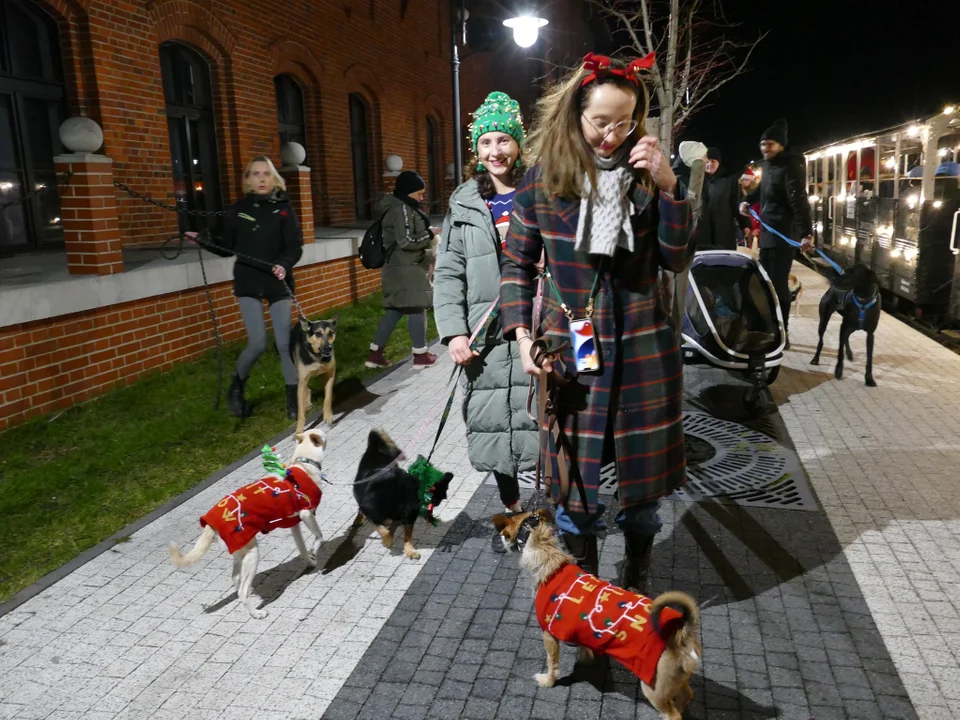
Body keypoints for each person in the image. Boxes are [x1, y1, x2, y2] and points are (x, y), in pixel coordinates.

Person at [500, 53, 694, 593]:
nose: (612, 134)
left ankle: (636, 571)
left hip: (644, 352)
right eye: (600, 121)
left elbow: (676, 261)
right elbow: (516, 263)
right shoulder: (541, 182)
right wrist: (520, 334)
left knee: (643, 493)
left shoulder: (648, 179)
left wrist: (672, 187)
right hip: (572, 355)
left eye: (625, 122)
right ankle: (583, 591)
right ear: (575, 115)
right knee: (572, 487)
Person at [433, 92, 538, 532]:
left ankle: (553, 507)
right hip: (485, 338)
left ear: (518, 143)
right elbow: (448, 273)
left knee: (540, 421)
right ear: (476, 151)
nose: (495, 151)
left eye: (503, 140)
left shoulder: (540, 192)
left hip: (535, 328)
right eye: (486, 143)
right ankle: (515, 512)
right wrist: (455, 333)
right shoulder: (464, 204)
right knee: (495, 425)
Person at [188, 156, 303, 420]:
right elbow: (226, 247)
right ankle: (237, 386)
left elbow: (294, 246)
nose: (261, 179)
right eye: (255, 174)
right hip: (248, 280)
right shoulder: (237, 210)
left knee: (284, 344)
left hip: (278, 281)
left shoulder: (284, 208)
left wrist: (284, 264)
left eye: (266, 174)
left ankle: (293, 399)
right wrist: (204, 241)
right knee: (258, 343)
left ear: (273, 178)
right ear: (248, 179)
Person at [739, 119, 814, 348]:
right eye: (763, 144)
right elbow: (762, 191)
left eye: (770, 144)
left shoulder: (790, 166)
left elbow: (799, 201)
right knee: (764, 282)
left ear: (781, 145)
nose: (765, 148)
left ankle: (783, 332)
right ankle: (767, 326)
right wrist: (746, 201)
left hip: (783, 235)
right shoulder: (768, 166)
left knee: (778, 284)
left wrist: (806, 234)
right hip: (768, 234)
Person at [366, 171, 439, 370]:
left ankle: (375, 354)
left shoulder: (400, 207)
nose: (422, 198)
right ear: (408, 192)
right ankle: (420, 355)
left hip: (399, 266)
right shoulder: (402, 209)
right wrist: (429, 234)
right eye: (419, 194)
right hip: (406, 267)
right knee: (416, 306)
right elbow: (406, 240)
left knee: (395, 310)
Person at [699, 147, 744, 251]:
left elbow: (736, 203)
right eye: (707, 161)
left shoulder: (729, 180)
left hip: (723, 231)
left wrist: (745, 224)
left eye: (713, 161)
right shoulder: (697, 180)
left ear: (719, 162)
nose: (709, 164)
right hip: (703, 234)